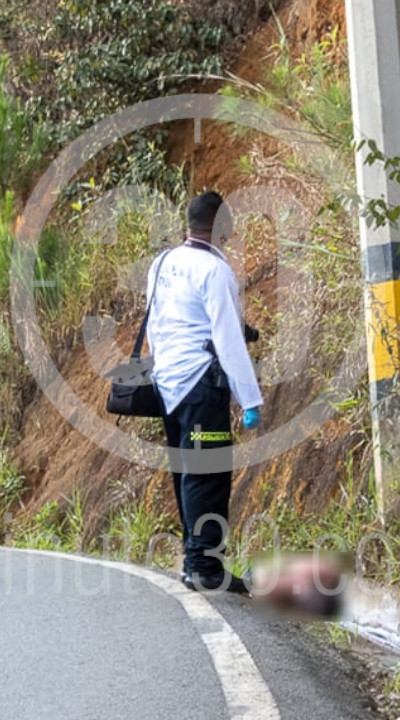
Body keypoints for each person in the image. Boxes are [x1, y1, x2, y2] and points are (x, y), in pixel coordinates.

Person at [146, 191, 264, 593]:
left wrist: (163, 368)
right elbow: (227, 339)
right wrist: (249, 399)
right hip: (199, 383)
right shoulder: (214, 270)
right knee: (207, 474)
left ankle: (193, 560)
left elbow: (157, 322)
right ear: (219, 226)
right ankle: (204, 567)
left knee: (186, 470)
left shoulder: (162, 262)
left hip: (168, 383)